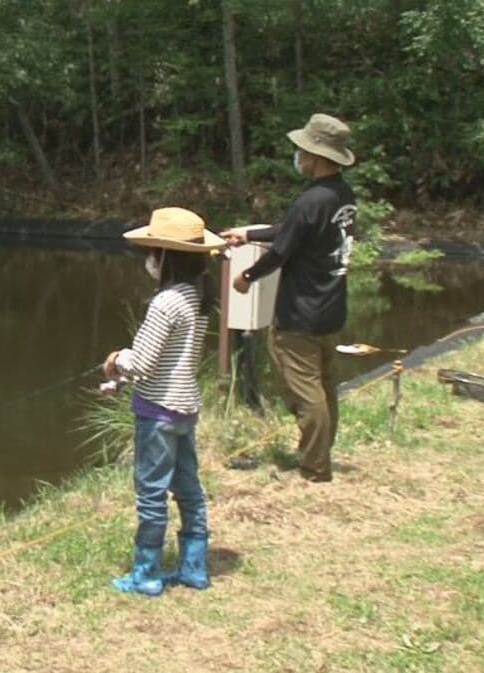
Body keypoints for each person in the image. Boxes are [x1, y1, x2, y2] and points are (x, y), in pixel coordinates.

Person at [220, 113, 357, 483]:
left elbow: (282, 251)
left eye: (302, 150)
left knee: (304, 392)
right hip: (332, 309)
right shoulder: (341, 195)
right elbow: (293, 233)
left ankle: (314, 468)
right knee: (326, 388)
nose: (297, 155)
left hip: (300, 315)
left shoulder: (309, 200)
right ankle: (318, 455)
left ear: (317, 156)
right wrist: (249, 235)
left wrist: (247, 277)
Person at [102, 207, 224, 596]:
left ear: (165, 258)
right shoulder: (196, 296)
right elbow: (170, 360)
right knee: (188, 488)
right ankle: (193, 568)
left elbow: (143, 362)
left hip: (156, 413)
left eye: (152, 252)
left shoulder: (165, 302)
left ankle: (147, 574)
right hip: (185, 408)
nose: (148, 261)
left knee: (151, 492)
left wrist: (115, 361)